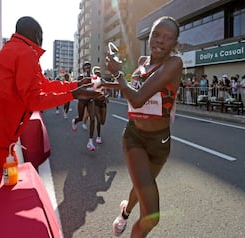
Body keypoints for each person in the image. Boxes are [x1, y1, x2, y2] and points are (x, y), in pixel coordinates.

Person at [0, 16, 101, 175]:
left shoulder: (12, 49)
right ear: (37, 35)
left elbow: (43, 84)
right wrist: (74, 94)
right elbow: (34, 101)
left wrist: (76, 85)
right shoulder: (26, 53)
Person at [105, 16, 183, 237]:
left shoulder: (174, 63)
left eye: (167, 38)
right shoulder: (141, 61)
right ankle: (127, 214)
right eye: (156, 35)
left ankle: (125, 211)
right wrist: (104, 83)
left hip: (160, 142)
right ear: (149, 36)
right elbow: (132, 89)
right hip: (134, 137)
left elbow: (138, 98)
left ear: (175, 43)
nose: (160, 41)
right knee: (152, 216)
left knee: (141, 188)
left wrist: (118, 74)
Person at [71, 61, 97, 151]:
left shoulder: (94, 77)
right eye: (86, 66)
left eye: (89, 66)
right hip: (82, 100)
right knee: (81, 118)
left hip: (90, 100)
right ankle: (75, 121)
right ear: (83, 68)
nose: (87, 68)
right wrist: (82, 83)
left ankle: (90, 142)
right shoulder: (80, 77)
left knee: (93, 118)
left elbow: (97, 87)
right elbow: (77, 87)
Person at [92, 66, 108, 144]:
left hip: (103, 102)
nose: (98, 75)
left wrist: (106, 97)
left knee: (102, 121)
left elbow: (108, 91)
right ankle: (98, 136)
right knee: (98, 120)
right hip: (96, 103)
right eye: (96, 74)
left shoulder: (103, 82)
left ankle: (99, 134)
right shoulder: (92, 82)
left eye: (99, 74)